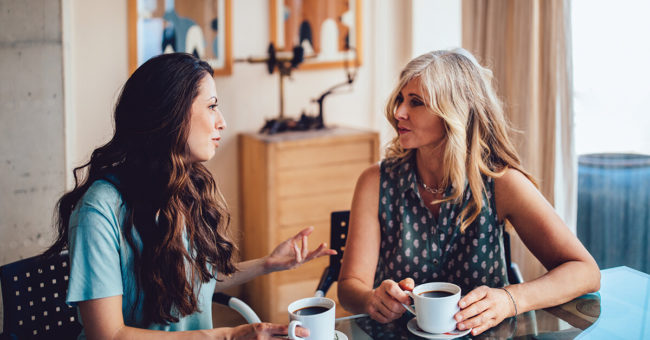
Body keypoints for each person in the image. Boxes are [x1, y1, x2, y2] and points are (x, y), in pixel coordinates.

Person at [42, 53, 335, 339]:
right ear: (171, 112)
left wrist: (268, 263)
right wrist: (227, 336)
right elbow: (108, 333)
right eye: (211, 106)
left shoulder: (182, 186)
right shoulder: (98, 208)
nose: (222, 122)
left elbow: (189, 280)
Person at [337, 49, 600, 336]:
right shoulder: (375, 181)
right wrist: (371, 298)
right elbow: (349, 287)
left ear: (454, 113)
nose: (399, 112)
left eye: (416, 102)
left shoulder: (501, 183)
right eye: (401, 99)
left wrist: (511, 299)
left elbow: (585, 271)